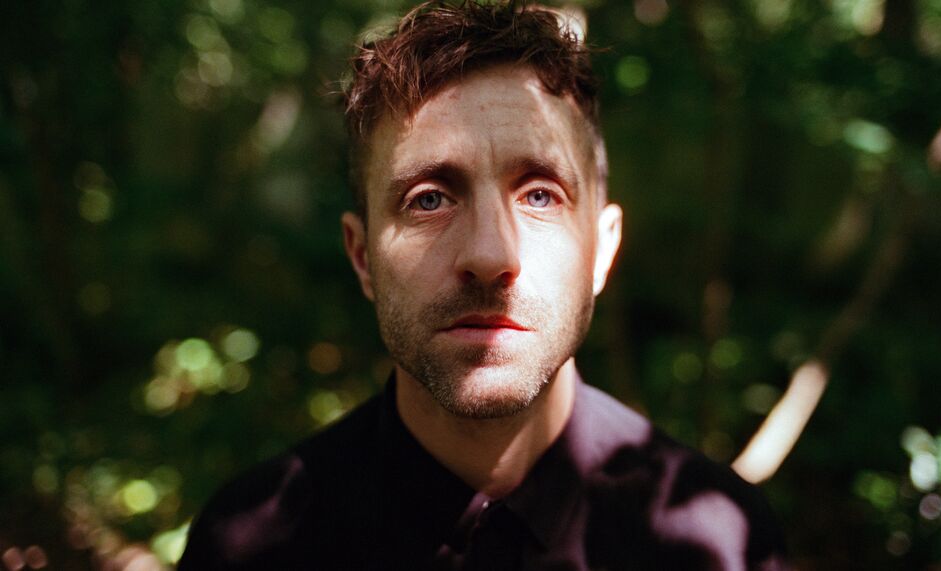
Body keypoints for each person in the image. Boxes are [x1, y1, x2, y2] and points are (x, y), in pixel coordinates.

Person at [178, 2, 788, 569]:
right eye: (430, 199)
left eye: (541, 195)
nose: (491, 255)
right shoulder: (248, 547)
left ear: (603, 248)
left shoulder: (721, 541)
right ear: (362, 257)